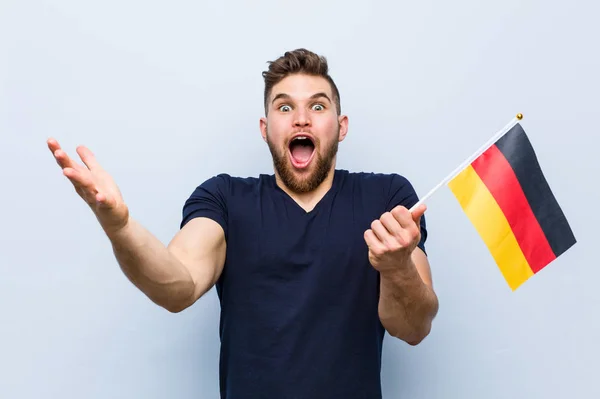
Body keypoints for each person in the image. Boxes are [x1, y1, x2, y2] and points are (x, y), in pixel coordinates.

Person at [48, 48, 439, 399]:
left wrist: (396, 265)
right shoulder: (225, 199)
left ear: (342, 125)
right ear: (265, 128)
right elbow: (177, 286)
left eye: (318, 107)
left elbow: (414, 327)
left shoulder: (387, 201)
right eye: (284, 108)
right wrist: (120, 226)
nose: (301, 119)